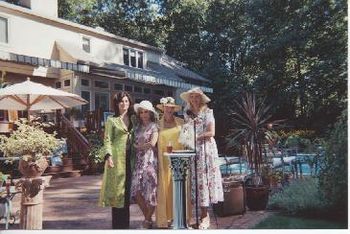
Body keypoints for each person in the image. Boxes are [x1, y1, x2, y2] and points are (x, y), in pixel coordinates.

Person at [180, 87, 224, 229]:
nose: (194, 99)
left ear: (201, 98)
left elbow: (212, 132)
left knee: (204, 181)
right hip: (193, 151)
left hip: (206, 150)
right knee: (195, 182)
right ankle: (197, 215)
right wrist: (186, 140)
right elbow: (186, 131)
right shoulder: (186, 113)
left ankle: (205, 216)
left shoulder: (208, 112)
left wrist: (197, 137)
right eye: (191, 97)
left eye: (197, 96)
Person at [98, 91, 135, 229]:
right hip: (117, 160)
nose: (124, 104)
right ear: (117, 104)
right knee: (116, 193)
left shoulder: (134, 119)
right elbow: (107, 139)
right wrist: (108, 156)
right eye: (121, 101)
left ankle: (125, 226)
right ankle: (117, 227)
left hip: (131, 160)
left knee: (126, 194)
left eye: (126, 101)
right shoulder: (111, 120)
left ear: (129, 103)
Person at [155, 97, 192, 228]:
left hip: (180, 161)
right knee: (166, 189)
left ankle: (183, 218)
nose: (169, 109)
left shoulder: (181, 122)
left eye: (171, 107)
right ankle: (167, 218)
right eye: (167, 107)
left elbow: (188, 141)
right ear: (163, 108)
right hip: (164, 162)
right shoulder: (157, 125)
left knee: (181, 188)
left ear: (174, 109)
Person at [130, 100, 159, 229]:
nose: (143, 114)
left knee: (152, 191)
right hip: (138, 162)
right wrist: (137, 146)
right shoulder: (136, 127)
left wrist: (139, 146)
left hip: (150, 161)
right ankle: (148, 218)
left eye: (146, 111)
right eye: (141, 112)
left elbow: (152, 143)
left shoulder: (154, 126)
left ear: (151, 113)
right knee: (136, 191)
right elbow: (133, 143)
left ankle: (147, 221)